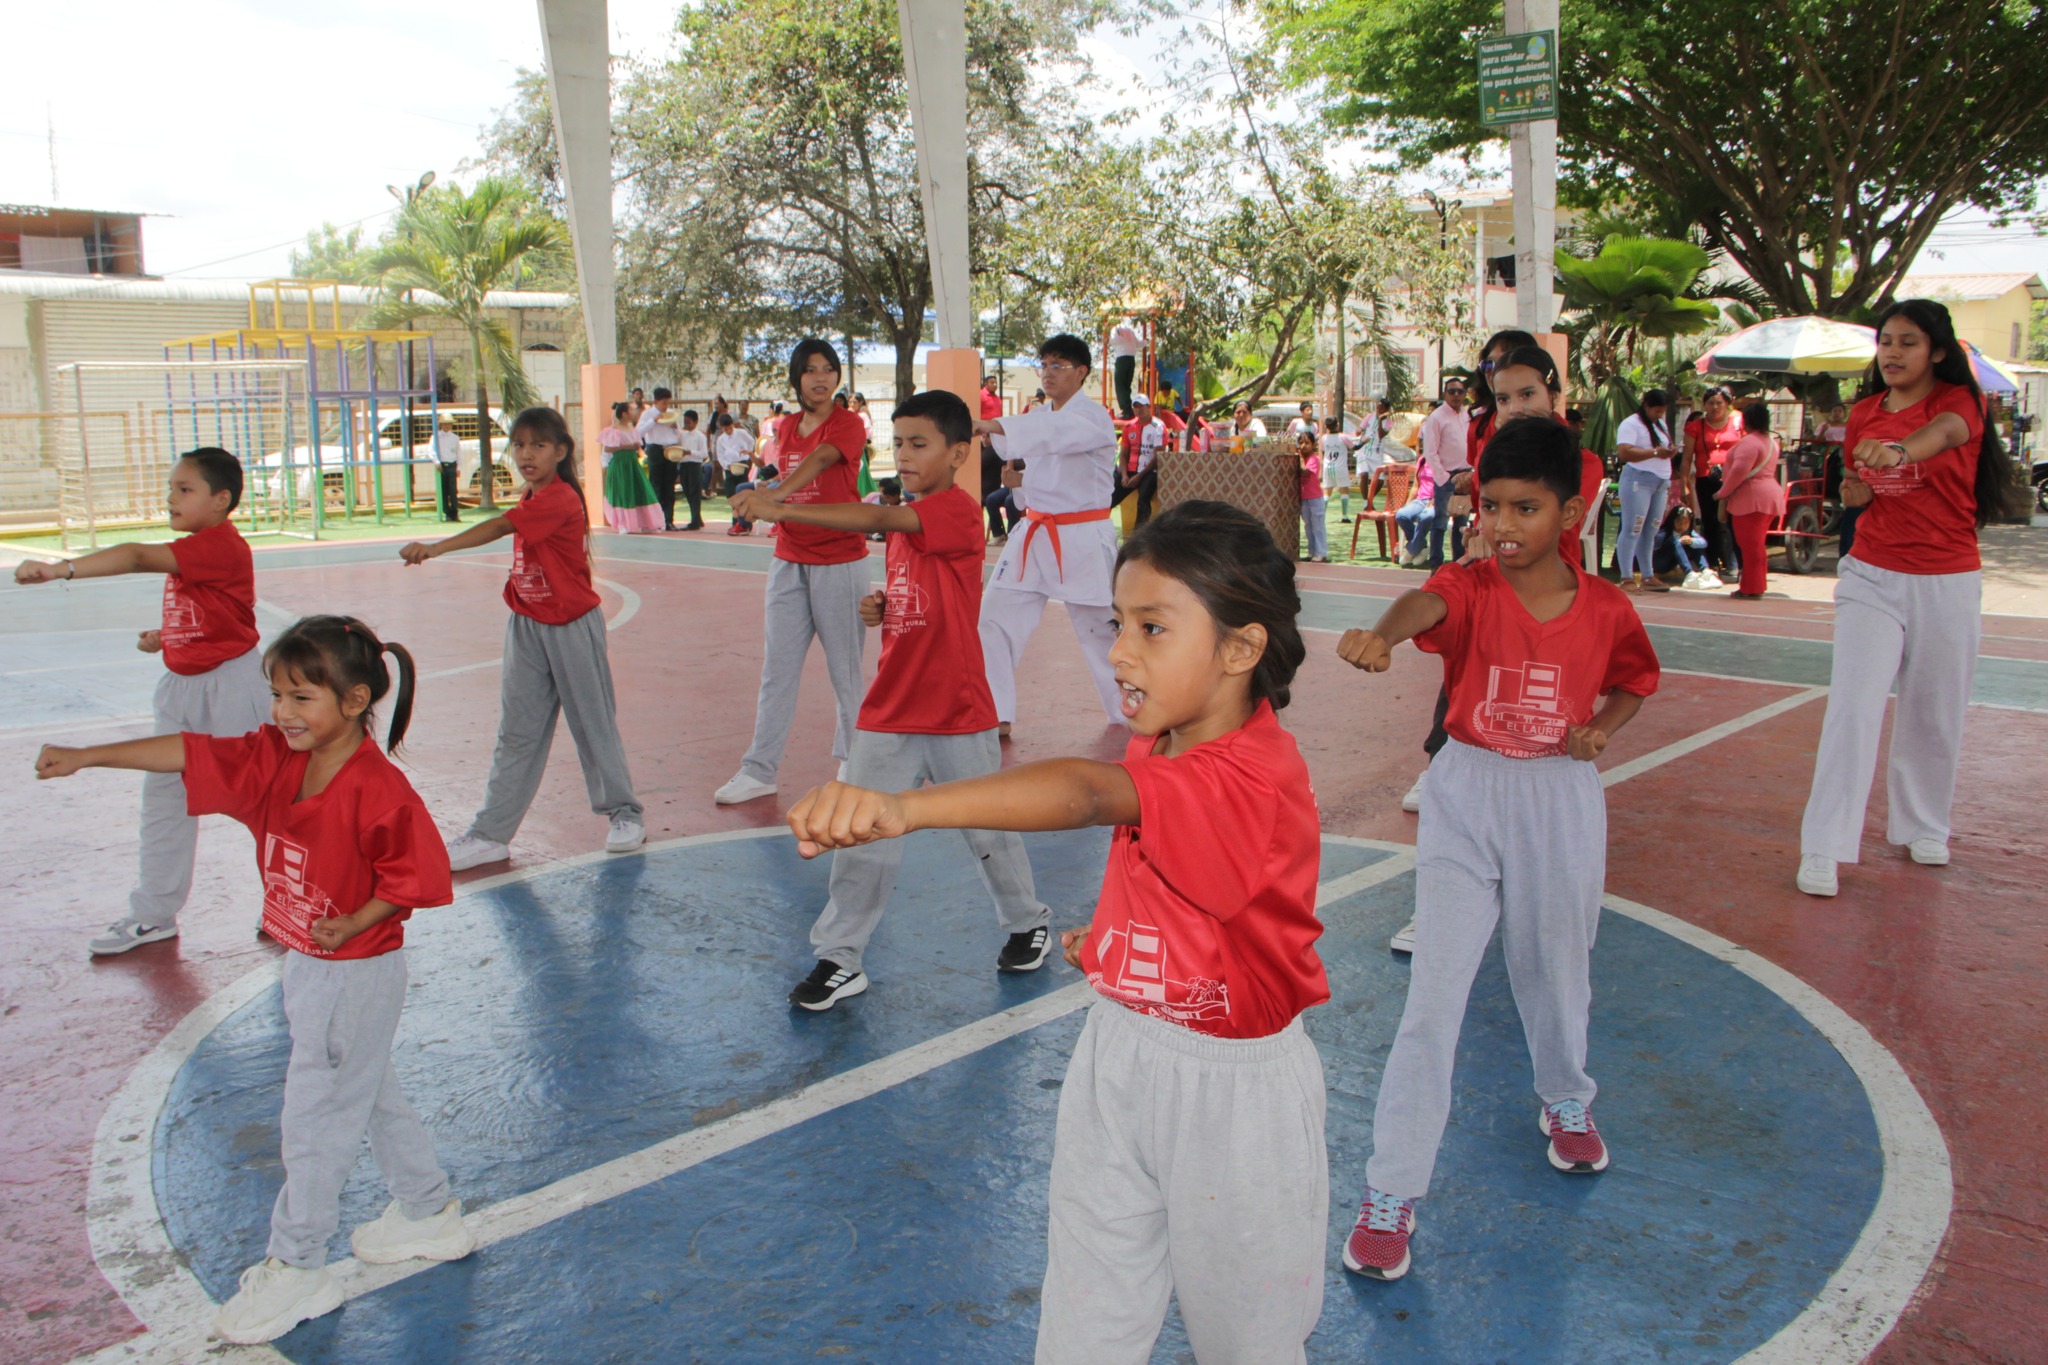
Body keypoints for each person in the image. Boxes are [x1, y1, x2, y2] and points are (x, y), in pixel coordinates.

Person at [786, 500, 1327, 1362]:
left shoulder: (1251, 775)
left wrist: (905, 807)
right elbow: (1178, 877)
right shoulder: (1166, 739)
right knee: (1088, 1312)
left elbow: (1088, 794)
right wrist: (1115, 942)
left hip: (1233, 1096)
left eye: (1152, 628)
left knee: (1248, 1340)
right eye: (1119, 623)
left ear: (1241, 648)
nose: (1119, 651)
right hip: (1122, 1046)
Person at [33, 615, 473, 1342]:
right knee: (365, 1090)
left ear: (356, 700)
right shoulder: (274, 757)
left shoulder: (379, 789)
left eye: (301, 697)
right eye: (276, 694)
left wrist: (354, 921)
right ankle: (427, 1211)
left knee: (314, 1118)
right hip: (312, 964)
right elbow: (189, 750)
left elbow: (414, 877)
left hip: (354, 971)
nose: (282, 712)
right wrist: (90, 756)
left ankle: (299, 1265)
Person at [1334, 416, 1660, 1281]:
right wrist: (1383, 632)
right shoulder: (1471, 586)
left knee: (1557, 965)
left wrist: (1601, 729)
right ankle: (1391, 1188)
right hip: (1467, 791)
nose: (1504, 525)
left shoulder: (1607, 608)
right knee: (1434, 995)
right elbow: (1426, 603)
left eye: (1526, 508)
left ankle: (1565, 1096)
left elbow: (1635, 681)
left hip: (1558, 795)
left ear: (1571, 513)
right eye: (1491, 507)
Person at [736, 392, 1054, 1010]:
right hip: (888, 711)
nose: (904, 455)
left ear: (958, 454)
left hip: (956, 710)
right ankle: (840, 956)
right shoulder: (910, 520)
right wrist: (884, 606)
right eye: (898, 442)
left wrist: (781, 507)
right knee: (861, 834)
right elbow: (921, 583)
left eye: (919, 444)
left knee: (987, 827)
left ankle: (1026, 922)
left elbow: (877, 521)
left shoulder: (956, 512)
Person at [1795, 299, 2024, 898]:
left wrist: (1898, 452)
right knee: (1853, 708)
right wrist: (1855, 490)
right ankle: (1824, 845)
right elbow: (1859, 491)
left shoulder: (1961, 403)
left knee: (1935, 710)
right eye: (1886, 342)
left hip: (1948, 579)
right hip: (1872, 576)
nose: (1892, 353)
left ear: (1937, 352)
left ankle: (1924, 826)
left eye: (1908, 342)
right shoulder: (1864, 413)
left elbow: (1940, 436)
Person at [13, 447, 272, 955]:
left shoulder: (221, 545)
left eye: (184, 489)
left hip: (233, 686)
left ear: (221, 500)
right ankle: (154, 914)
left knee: (263, 795)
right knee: (164, 800)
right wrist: (169, 637)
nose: (170, 498)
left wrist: (59, 569)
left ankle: (292, 895)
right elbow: (212, 612)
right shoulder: (196, 549)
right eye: (171, 487)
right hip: (181, 687)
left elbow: (134, 555)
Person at [398, 407, 645, 866]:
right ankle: (491, 834)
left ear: (561, 451)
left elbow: (500, 525)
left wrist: (437, 547)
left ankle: (624, 814)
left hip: (570, 626)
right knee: (517, 732)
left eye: (538, 445)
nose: (526, 454)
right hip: (527, 625)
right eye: (519, 445)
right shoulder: (533, 495)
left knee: (592, 725)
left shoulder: (561, 498)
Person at [714, 339, 872, 804]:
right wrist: (762, 492)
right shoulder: (785, 426)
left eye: (828, 369)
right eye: (810, 370)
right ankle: (758, 770)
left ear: (837, 376)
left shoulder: (847, 424)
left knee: (845, 674)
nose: (820, 378)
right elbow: (792, 477)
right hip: (788, 561)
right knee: (777, 671)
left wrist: (776, 497)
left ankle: (856, 762)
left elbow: (822, 460)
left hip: (839, 561)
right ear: (797, 378)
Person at [975, 333, 1125, 740]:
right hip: (1034, 535)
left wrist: (990, 423)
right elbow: (1047, 467)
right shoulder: (1041, 417)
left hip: (1082, 538)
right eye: (1044, 365)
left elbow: (1053, 434)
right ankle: (994, 711)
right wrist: (1020, 485)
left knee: (1101, 634)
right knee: (993, 619)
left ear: (1081, 372)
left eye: (1058, 365)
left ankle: (1130, 714)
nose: (1048, 372)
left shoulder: (1092, 417)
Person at [1717, 401, 1786, 599]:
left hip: (1751, 498)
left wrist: (1723, 492)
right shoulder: (1771, 442)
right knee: (1757, 545)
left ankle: (1751, 588)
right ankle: (1756, 584)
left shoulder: (1749, 442)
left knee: (1749, 546)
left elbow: (1739, 471)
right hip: (1769, 495)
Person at [1613, 389, 1680, 592]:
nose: (1659, 415)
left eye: (1662, 411)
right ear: (1646, 406)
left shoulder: (1660, 424)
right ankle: (1626, 576)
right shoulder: (1631, 424)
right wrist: (1655, 452)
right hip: (1638, 480)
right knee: (1633, 528)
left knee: (1651, 530)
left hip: (1660, 482)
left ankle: (1648, 575)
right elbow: (1624, 452)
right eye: (1656, 411)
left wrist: (1670, 451)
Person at [1683, 387, 1746, 579]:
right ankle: (1711, 565)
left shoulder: (1738, 423)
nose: (1715, 407)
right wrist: (1685, 484)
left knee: (1735, 522)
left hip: (1734, 479)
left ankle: (1739, 566)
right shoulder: (1695, 427)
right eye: (1710, 403)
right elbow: (1687, 458)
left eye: (1719, 402)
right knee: (1710, 523)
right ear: (1704, 405)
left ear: (1727, 404)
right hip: (1706, 479)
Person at [1417, 377, 1472, 567]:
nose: (1456, 395)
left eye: (1460, 391)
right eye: (1452, 391)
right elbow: (1430, 452)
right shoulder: (1436, 417)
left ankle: (1458, 565)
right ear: (1444, 394)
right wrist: (1444, 478)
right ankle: (1436, 564)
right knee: (1440, 522)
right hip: (1447, 477)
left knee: (1461, 524)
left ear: (1465, 394)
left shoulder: (1467, 415)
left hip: (1466, 476)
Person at [598, 402, 663, 534]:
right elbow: (608, 448)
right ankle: (623, 524)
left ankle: (646, 523)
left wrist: (637, 448)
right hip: (620, 465)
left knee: (642, 490)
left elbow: (638, 446)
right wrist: (626, 446)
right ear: (624, 414)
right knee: (622, 493)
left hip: (632, 464)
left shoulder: (633, 429)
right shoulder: (612, 431)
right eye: (631, 411)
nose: (633, 413)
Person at [1112, 393, 1165, 526]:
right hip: (1130, 470)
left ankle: (1139, 533)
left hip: (1149, 471)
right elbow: (1123, 455)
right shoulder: (1128, 427)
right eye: (1135, 407)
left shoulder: (1158, 427)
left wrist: (1139, 476)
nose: (1138, 410)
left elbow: (1159, 456)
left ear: (1148, 407)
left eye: (1141, 406)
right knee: (1109, 498)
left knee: (1143, 501)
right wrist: (1124, 475)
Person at [636, 388, 683, 531]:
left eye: (668, 403)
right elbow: (639, 432)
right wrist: (654, 421)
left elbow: (678, 435)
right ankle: (656, 520)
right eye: (663, 403)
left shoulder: (670, 413)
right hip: (655, 449)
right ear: (656, 401)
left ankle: (669, 520)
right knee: (656, 485)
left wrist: (675, 427)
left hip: (670, 449)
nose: (666, 406)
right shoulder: (648, 414)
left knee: (669, 485)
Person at [1394, 456, 1438, 567]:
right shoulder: (1422, 460)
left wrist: (1436, 499)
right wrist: (1407, 505)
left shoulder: (1446, 460)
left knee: (1426, 517)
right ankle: (1421, 546)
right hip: (1420, 500)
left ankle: (1411, 550)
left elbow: (1447, 486)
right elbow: (1415, 486)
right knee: (1401, 515)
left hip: (1437, 500)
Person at [1653, 505, 1713, 586]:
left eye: (1686, 523)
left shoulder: (1689, 533)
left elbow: (1704, 543)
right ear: (1672, 521)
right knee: (1675, 542)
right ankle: (1689, 574)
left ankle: (1705, 570)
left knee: (1696, 544)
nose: (1682, 526)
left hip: (1672, 563)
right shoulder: (1663, 533)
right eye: (1678, 522)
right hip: (1659, 563)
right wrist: (1677, 543)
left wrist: (1691, 541)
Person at [1298, 428, 1329, 562]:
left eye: (1307, 443)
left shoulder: (1314, 459)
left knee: (1318, 525)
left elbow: (1305, 472)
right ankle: (1312, 551)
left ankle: (1321, 552)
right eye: (1301, 443)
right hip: (1304, 498)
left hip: (1315, 497)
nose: (1303, 446)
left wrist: (1300, 459)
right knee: (1308, 525)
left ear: (1313, 444)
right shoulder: (1303, 459)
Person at [714, 413, 754, 504]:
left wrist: (748, 451)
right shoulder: (721, 439)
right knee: (730, 491)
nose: (728, 431)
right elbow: (720, 456)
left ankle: (743, 509)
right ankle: (735, 510)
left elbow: (751, 441)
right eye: (726, 429)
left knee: (743, 490)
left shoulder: (741, 433)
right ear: (722, 428)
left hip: (742, 463)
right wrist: (727, 465)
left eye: (730, 428)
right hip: (730, 467)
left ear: (733, 425)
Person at [1322, 416, 1356, 523]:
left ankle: (1321, 516)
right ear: (1338, 424)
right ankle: (1344, 516)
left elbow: (1323, 451)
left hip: (1328, 467)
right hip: (1340, 467)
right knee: (1344, 489)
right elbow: (1354, 447)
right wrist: (1364, 441)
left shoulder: (1324, 438)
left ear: (1326, 426)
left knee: (1327, 491)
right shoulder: (1343, 437)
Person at [430, 417, 462, 522]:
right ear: (441, 425)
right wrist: (436, 462)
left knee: (453, 490)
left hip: (452, 464)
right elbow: (431, 450)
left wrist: (459, 467)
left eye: (449, 424)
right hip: (442, 465)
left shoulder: (455, 437)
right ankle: (447, 513)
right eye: (445, 424)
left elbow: (459, 453)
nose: (447, 426)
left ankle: (455, 512)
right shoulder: (436, 437)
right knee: (443, 491)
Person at [1110, 318, 1141, 417]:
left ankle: (1126, 410)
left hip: (1122, 358)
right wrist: (1146, 341)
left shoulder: (1115, 330)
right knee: (1127, 385)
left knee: (1120, 385)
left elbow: (1116, 340)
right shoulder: (1130, 330)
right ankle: (1128, 409)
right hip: (1131, 359)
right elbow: (1138, 344)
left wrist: (1107, 340)